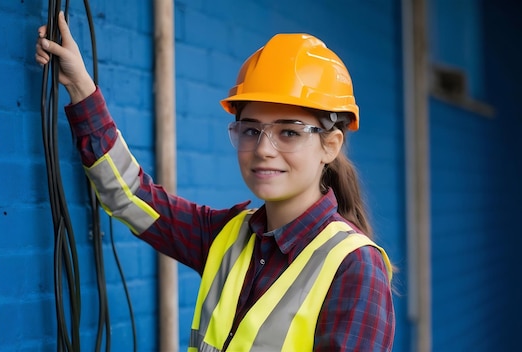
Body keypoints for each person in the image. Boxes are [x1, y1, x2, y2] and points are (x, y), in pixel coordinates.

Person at [35, 12, 395, 351]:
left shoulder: (356, 267)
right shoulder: (227, 237)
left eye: (289, 132)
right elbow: (130, 195)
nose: (264, 150)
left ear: (330, 145)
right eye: (251, 130)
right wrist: (80, 86)